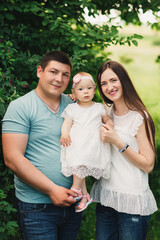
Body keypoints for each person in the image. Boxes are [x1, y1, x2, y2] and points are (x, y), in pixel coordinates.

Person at [2, 51, 82, 240]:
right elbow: (12, 158)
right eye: (53, 72)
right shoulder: (20, 107)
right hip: (37, 208)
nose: (59, 79)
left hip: (72, 203)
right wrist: (52, 190)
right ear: (40, 71)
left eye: (65, 75)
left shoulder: (74, 105)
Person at [91, 60, 157, 240]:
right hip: (107, 197)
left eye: (113, 80)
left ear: (123, 81)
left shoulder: (139, 117)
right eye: (103, 83)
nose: (109, 87)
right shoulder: (105, 112)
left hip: (132, 201)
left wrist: (118, 142)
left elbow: (148, 164)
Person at [60, 72, 113, 212]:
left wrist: (109, 123)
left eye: (89, 88)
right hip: (76, 143)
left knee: (81, 163)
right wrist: (64, 133)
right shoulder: (72, 108)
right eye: (81, 89)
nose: (85, 92)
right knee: (79, 165)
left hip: (92, 145)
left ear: (94, 89)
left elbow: (106, 118)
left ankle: (76, 188)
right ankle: (85, 196)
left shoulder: (98, 107)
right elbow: (66, 123)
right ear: (74, 92)